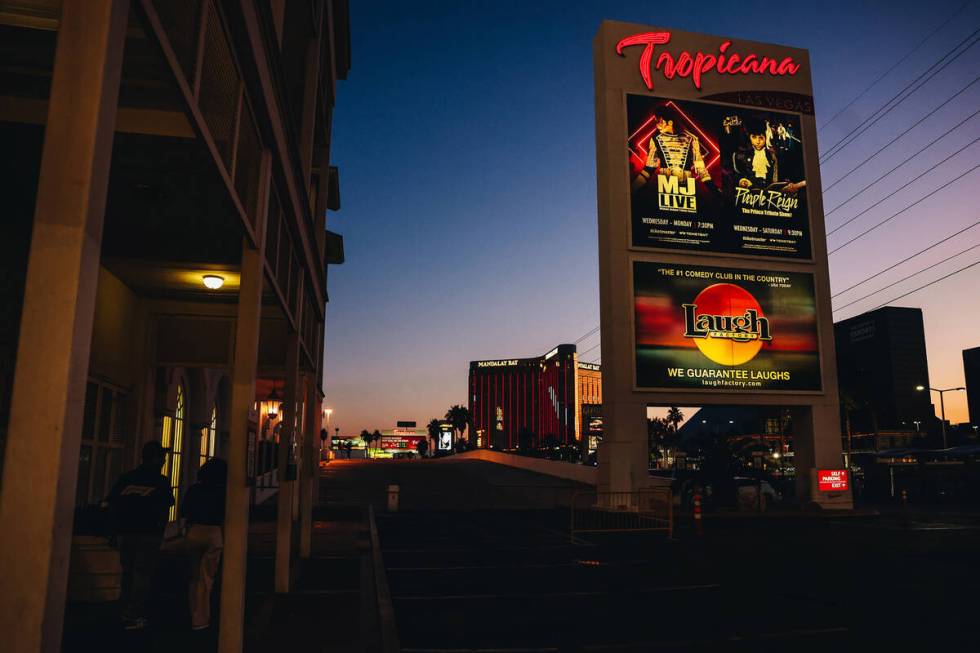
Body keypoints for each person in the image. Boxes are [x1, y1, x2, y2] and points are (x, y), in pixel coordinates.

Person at [106, 441, 174, 630]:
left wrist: (114, 530)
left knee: (128, 571)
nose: (163, 461)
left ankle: (125, 608)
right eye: (161, 457)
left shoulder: (127, 478)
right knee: (143, 574)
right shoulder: (161, 482)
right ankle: (134, 613)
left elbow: (113, 503)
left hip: (125, 532)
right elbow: (165, 507)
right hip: (149, 533)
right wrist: (161, 530)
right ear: (154, 459)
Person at [174, 458, 227, 630]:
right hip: (213, 533)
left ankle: (192, 612)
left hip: (194, 531)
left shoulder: (194, 490)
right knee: (206, 578)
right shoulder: (223, 492)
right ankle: (201, 618)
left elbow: (184, 511)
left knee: (193, 576)